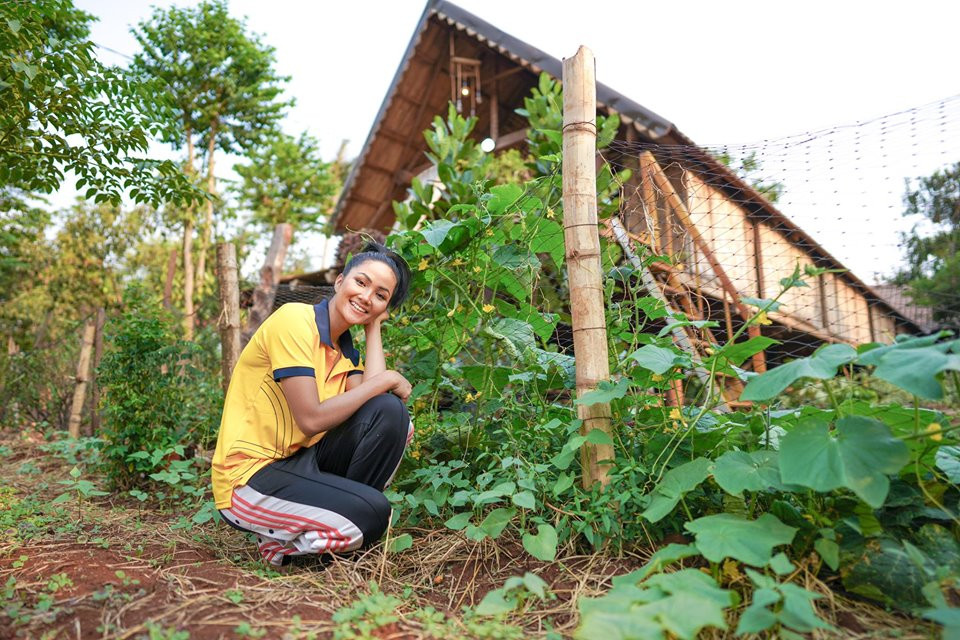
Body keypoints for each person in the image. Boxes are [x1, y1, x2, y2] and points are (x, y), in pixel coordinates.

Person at [211, 242, 414, 566]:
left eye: (380, 295)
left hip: (301, 463)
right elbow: (310, 419)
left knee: (392, 414)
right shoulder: (295, 321)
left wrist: (374, 325)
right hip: (248, 477)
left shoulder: (344, 351)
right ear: (339, 282)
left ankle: (335, 521)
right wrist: (385, 379)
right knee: (373, 513)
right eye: (361, 282)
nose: (366, 296)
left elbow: (378, 406)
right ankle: (282, 546)